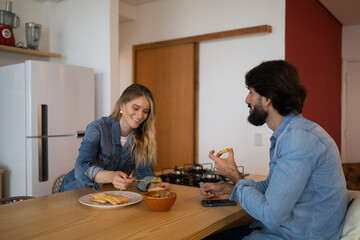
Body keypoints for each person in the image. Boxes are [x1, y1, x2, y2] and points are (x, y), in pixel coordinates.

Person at [200, 60, 347, 240]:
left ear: (268, 98)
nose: (247, 100)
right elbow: (272, 188)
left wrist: (234, 174)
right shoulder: (290, 134)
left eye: (251, 93)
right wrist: (227, 188)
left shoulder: (298, 140)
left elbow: (270, 214)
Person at [60, 83, 169, 192]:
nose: (140, 115)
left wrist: (154, 184)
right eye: (135, 108)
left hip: (107, 195)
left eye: (145, 111)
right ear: (122, 105)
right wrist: (111, 176)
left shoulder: (143, 137)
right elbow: (81, 167)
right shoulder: (98, 128)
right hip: (75, 191)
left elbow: (145, 172)